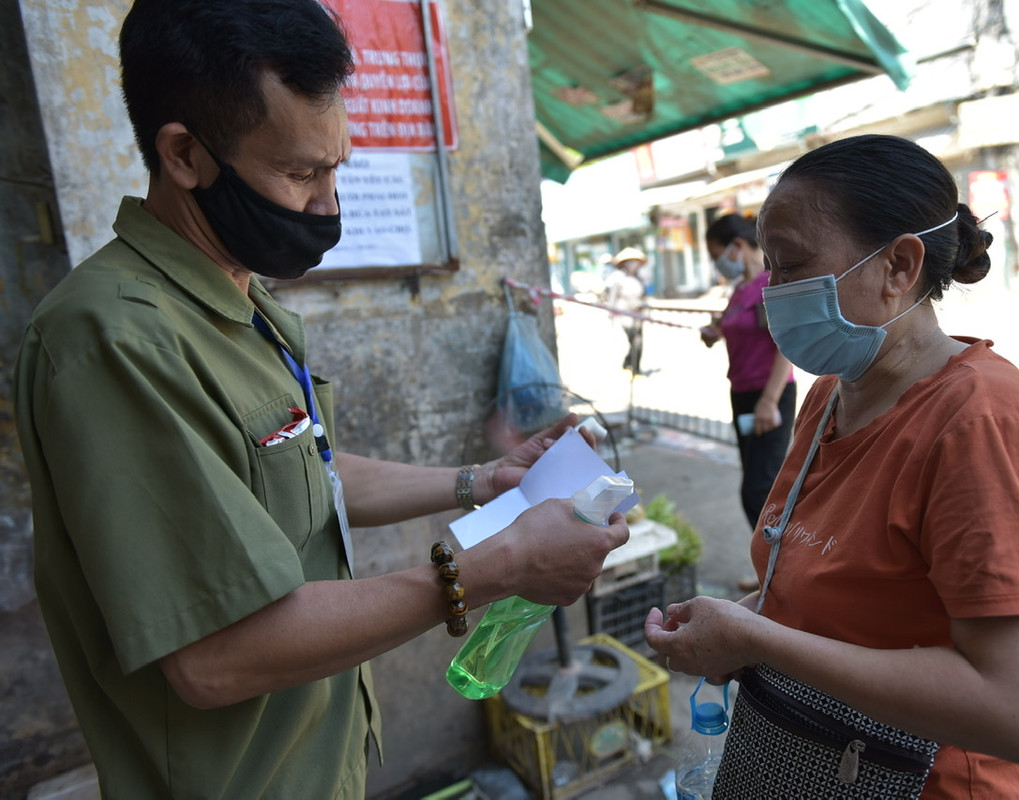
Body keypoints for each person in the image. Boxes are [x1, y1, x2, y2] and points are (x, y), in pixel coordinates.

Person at [12, 1, 628, 797]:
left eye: (336, 167)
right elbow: (216, 656)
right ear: (184, 154)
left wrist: (482, 479)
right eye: (301, 173)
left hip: (320, 761)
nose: (328, 205)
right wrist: (498, 567)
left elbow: (314, 474)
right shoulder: (112, 341)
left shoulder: (240, 301)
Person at [645, 135, 1019, 798]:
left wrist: (759, 642)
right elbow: (827, 595)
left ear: (900, 266)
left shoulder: (984, 421)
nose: (768, 292)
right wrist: (731, 627)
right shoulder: (832, 394)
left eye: (789, 265)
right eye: (768, 264)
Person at [699, 213, 797, 536]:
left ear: (738, 246)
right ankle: (767, 573)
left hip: (768, 395)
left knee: (758, 491)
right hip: (741, 394)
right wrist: (716, 332)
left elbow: (784, 344)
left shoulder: (769, 285)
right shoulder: (740, 289)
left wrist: (769, 401)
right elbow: (742, 328)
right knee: (760, 489)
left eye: (717, 256)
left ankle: (780, 571)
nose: (718, 265)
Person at [605, 246, 648, 374]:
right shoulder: (618, 278)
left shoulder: (639, 278)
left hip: (639, 316)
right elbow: (612, 298)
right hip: (625, 316)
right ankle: (634, 369)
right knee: (635, 341)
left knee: (639, 342)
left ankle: (630, 363)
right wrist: (611, 314)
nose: (633, 265)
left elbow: (644, 297)